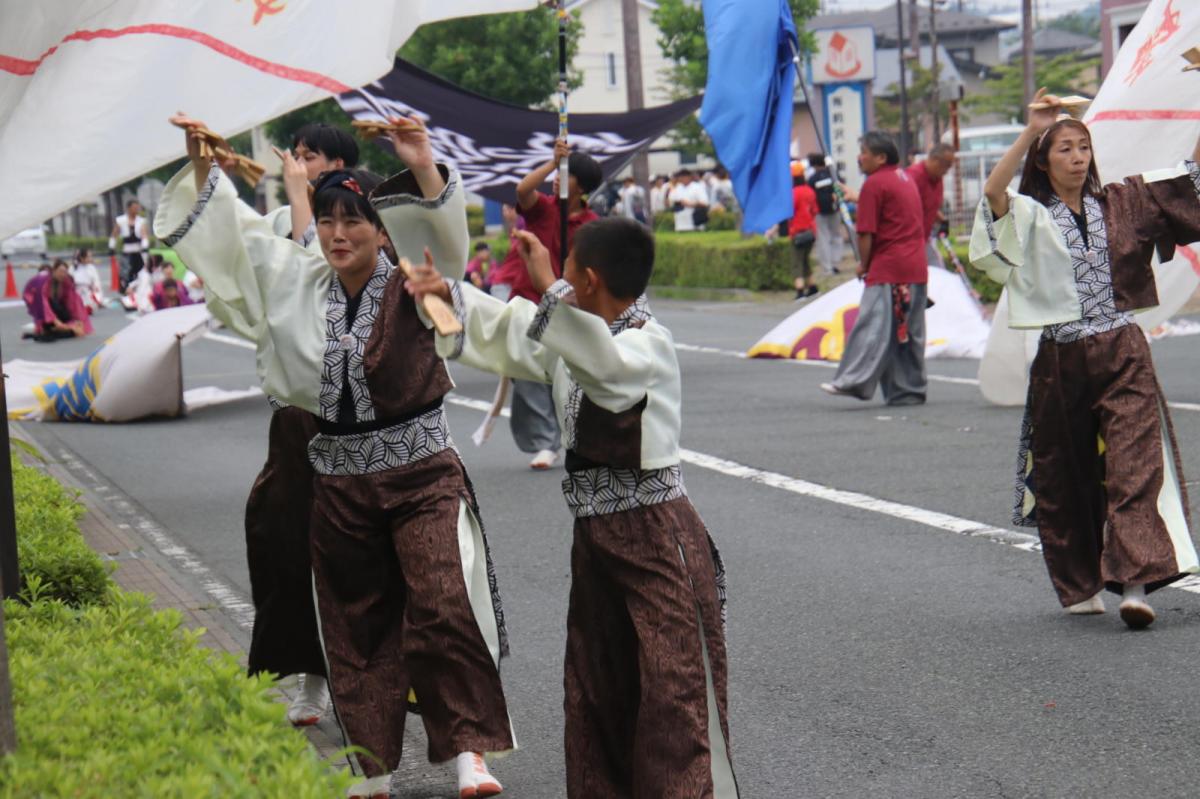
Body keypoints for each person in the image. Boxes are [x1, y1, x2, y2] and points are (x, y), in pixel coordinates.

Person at [156, 114, 513, 799]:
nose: (340, 232)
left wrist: (424, 160)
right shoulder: (299, 280)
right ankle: (372, 767)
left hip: (420, 474)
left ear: (382, 229)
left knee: (443, 603)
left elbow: (443, 241)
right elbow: (231, 242)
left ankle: (471, 751)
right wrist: (203, 165)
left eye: (354, 219)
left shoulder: (412, 278)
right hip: (342, 481)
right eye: (328, 220)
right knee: (355, 624)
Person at [408, 216, 738, 798]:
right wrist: (450, 295)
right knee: (597, 688)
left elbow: (609, 372)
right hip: (597, 538)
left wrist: (552, 292)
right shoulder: (575, 341)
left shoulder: (646, 342)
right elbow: (515, 331)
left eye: (565, 273)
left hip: (657, 535)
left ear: (586, 280)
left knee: (672, 693)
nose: (555, 283)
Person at [969, 90, 1200, 628]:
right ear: (1045, 162)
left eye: (1083, 147)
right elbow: (993, 191)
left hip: (1123, 349)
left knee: (1134, 467)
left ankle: (1136, 585)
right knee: (1064, 475)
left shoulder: (1126, 202)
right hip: (1061, 357)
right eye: (1065, 148)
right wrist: (1032, 129)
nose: (1078, 156)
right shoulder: (1028, 214)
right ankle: (1080, 579)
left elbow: (1191, 182)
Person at [488, 137, 603, 470]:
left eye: (566, 175)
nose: (557, 179)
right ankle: (543, 443)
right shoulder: (545, 209)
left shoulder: (593, 225)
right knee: (527, 371)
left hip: (569, 306)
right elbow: (523, 190)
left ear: (581, 187)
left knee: (567, 372)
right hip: (528, 301)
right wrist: (553, 162)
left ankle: (573, 435)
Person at [820, 132, 927, 406]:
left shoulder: (874, 184)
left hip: (889, 268)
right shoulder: (903, 178)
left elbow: (865, 233)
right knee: (905, 333)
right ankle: (908, 390)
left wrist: (863, 264)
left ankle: (851, 380)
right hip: (914, 266)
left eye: (865, 152)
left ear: (880, 158)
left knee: (872, 327)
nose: (860, 157)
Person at [907, 143, 957, 267]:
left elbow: (928, 206)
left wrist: (942, 220)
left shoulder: (937, 178)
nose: (947, 171)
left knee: (939, 272)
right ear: (934, 160)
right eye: (946, 166)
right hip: (908, 243)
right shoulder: (913, 177)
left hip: (923, 239)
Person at [32, 260, 93, 341]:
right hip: (46, 314)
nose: (63, 274)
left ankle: (60, 330)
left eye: (65, 272)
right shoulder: (46, 283)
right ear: (54, 271)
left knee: (76, 329)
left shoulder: (66, 282)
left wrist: (78, 321)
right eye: (60, 271)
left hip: (58, 312)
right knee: (53, 305)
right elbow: (44, 305)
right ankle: (52, 330)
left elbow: (73, 303)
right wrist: (57, 322)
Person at [808, 153, 844, 275]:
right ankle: (835, 262)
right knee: (836, 236)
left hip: (819, 212)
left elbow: (810, 196)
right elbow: (841, 187)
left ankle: (827, 267)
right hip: (835, 209)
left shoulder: (812, 179)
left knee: (823, 239)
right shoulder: (833, 174)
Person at [789, 162, 820, 300]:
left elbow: (789, 213)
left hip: (797, 231)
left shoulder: (792, 193)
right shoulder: (809, 191)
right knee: (806, 260)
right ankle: (812, 287)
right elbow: (815, 210)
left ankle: (800, 291)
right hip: (810, 231)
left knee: (797, 263)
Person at [110, 199, 148, 291]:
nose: (136, 210)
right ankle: (126, 291)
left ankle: (138, 291)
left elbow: (144, 235)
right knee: (126, 274)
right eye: (134, 208)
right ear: (129, 208)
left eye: (137, 208)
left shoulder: (141, 221)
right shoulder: (121, 220)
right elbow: (114, 235)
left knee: (141, 273)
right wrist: (111, 247)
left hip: (138, 251)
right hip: (127, 252)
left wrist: (145, 246)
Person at [71, 248, 105, 312]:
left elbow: (97, 283)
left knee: (89, 307)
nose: (90, 258)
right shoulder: (73, 268)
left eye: (91, 256)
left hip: (88, 293)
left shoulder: (91, 268)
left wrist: (99, 298)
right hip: (76, 294)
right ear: (81, 258)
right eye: (88, 257)